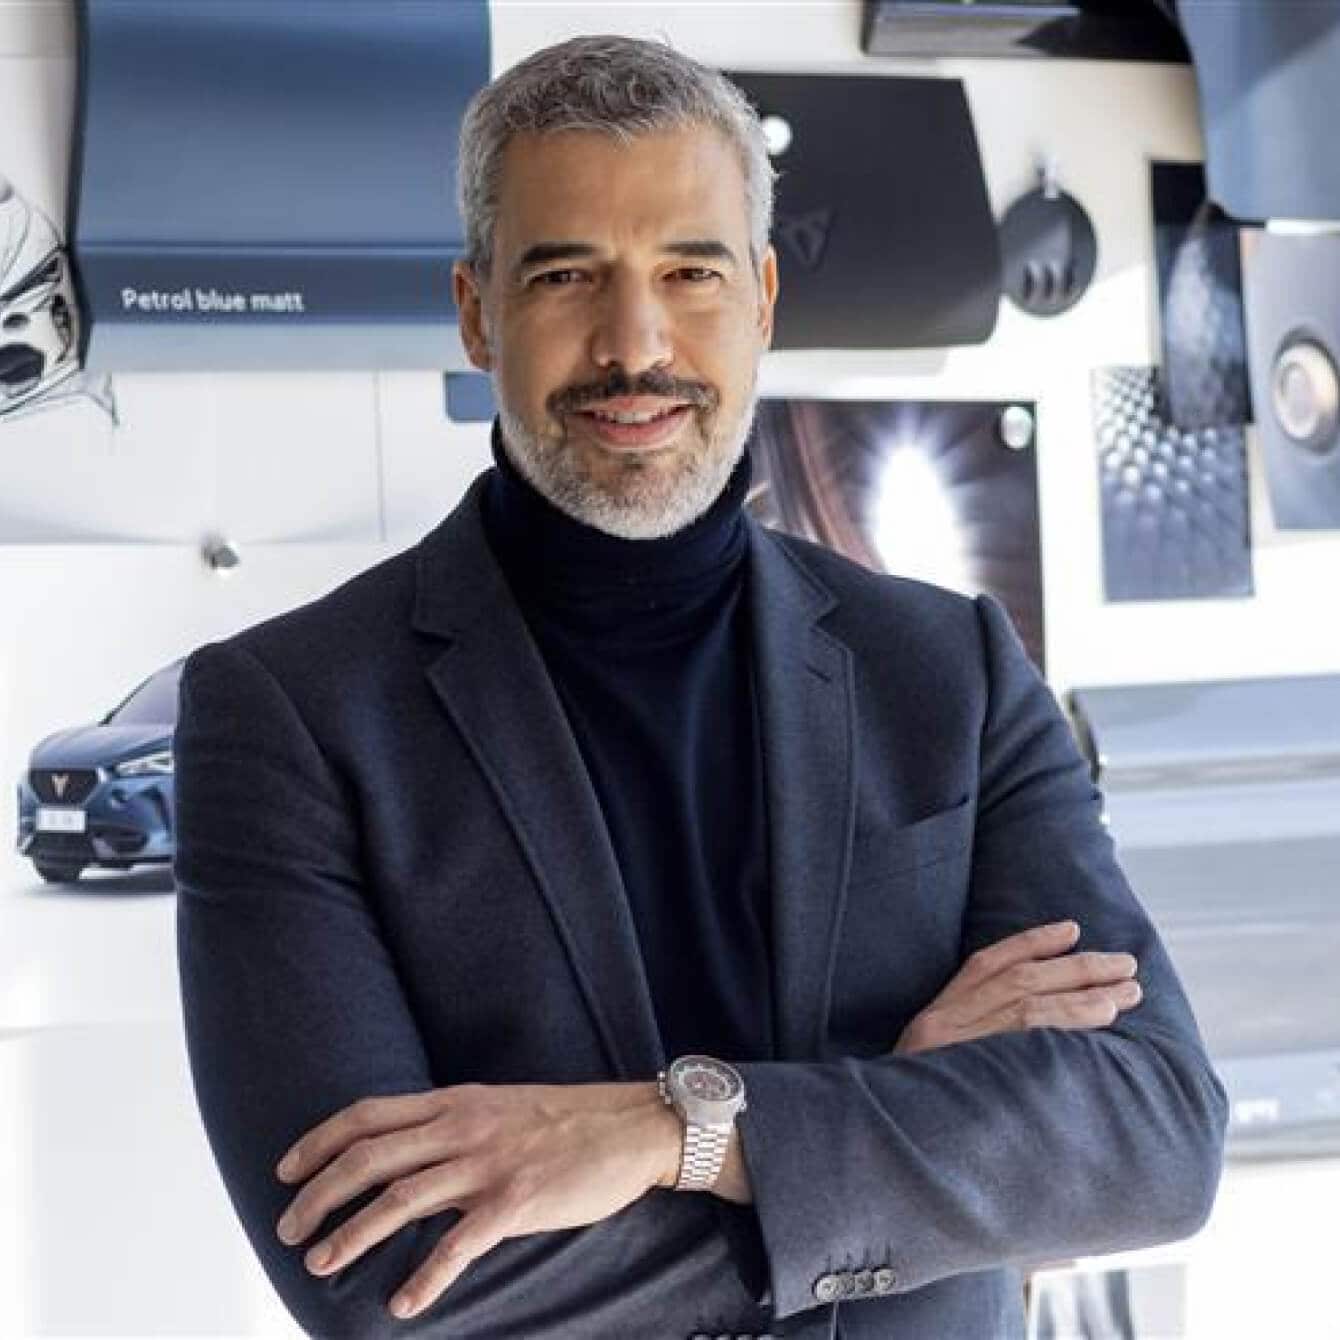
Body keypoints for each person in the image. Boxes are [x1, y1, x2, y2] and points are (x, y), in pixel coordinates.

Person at [174, 34, 1227, 1340]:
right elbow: (387, 1287)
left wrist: (669, 1131)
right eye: (569, 275)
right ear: (474, 308)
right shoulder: (288, 718)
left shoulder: (948, 671)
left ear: (766, 296)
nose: (637, 343)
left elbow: (1155, 1138)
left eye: (691, 270)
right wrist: (894, 1123)